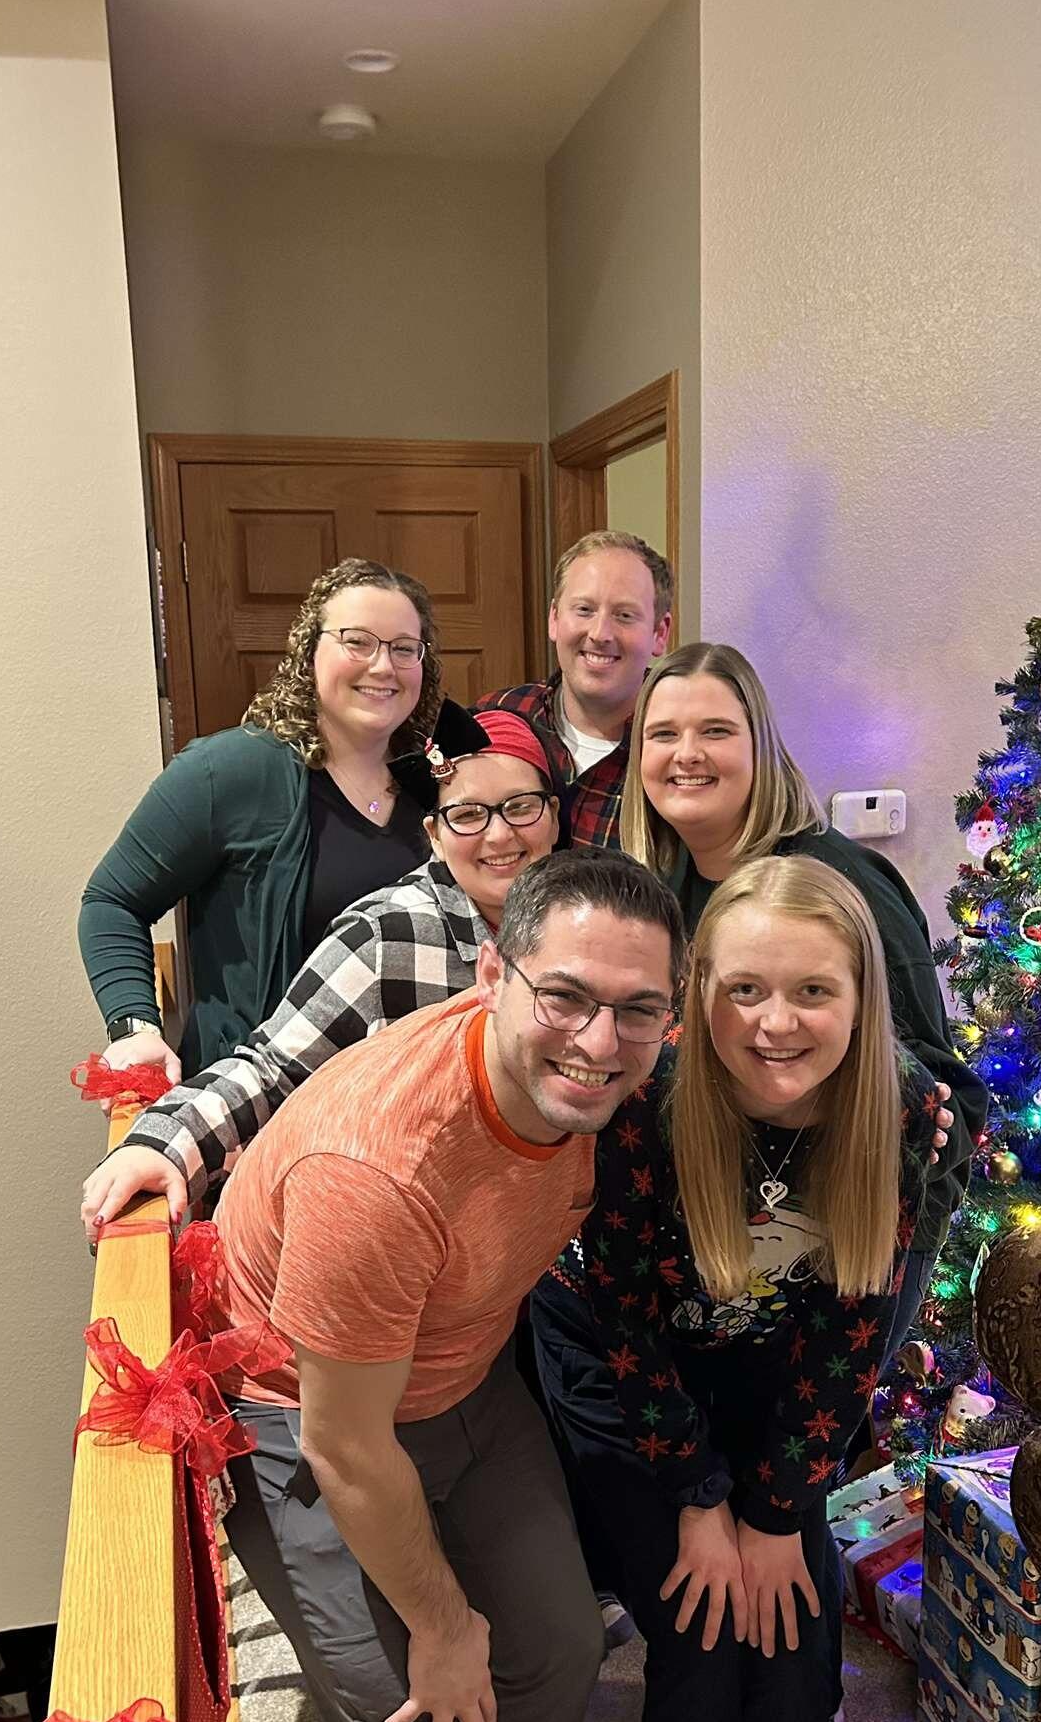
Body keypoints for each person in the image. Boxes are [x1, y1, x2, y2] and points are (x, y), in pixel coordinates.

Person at [209, 851, 685, 1722]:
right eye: (567, 997)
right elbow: (348, 1448)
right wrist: (440, 1620)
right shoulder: (381, 1167)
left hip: (467, 1381)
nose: (600, 1041)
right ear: (492, 976)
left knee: (562, 1641)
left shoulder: (599, 1078)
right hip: (309, 1424)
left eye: (639, 1009)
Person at [531, 855, 942, 1722]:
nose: (776, 1024)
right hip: (634, 1391)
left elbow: (852, 1340)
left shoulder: (906, 1117)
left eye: (813, 992)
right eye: (745, 990)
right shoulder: (643, 1112)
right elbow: (625, 1325)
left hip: (778, 1388)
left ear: (863, 999)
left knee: (799, 1619)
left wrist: (773, 1509)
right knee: (702, 1630)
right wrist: (703, 1502)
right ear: (699, 989)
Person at [618, 641, 987, 1374]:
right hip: (729, 1225)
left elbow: (941, 1087)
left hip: (852, 1233)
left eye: (715, 731)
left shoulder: (841, 883)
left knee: (806, 1443)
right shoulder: (660, 888)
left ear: (760, 743)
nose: (686, 754)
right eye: (663, 734)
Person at [77, 705, 560, 1240]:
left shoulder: (583, 927)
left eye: (521, 807)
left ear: (554, 817)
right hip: (408, 1248)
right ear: (435, 835)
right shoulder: (384, 937)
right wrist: (161, 1144)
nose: (499, 835)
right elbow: (272, 1073)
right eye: (468, 815)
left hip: (536, 1243)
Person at [79, 557, 442, 1084]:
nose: (383, 666)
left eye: (404, 648)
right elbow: (112, 902)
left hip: (400, 1099)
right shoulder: (229, 772)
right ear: (309, 652)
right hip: (257, 1108)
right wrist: (136, 1028)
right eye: (357, 641)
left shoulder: (439, 786)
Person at [479, 529, 672, 846]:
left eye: (624, 615)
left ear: (659, 632)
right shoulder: (497, 716)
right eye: (584, 610)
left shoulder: (682, 749)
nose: (600, 633)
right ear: (554, 618)